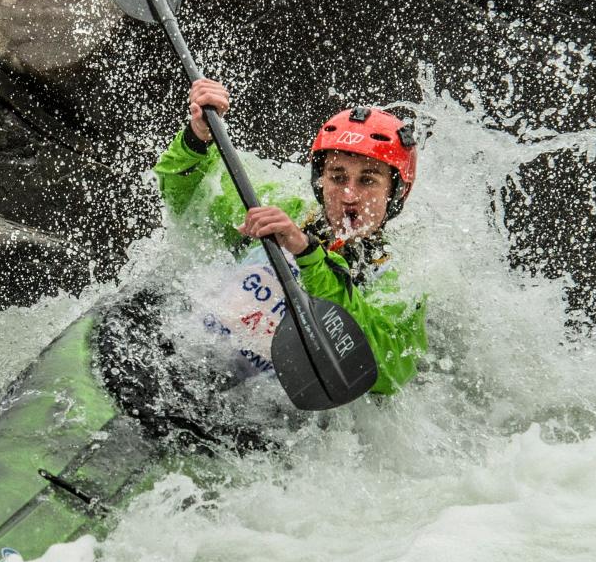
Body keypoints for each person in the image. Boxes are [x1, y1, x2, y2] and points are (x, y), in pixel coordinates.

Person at [152, 78, 427, 398]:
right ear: (319, 181)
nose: (349, 194)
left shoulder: (400, 278)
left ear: (396, 192)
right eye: (337, 177)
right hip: (183, 358)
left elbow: (385, 370)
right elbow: (190, 198)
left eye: (368, 180)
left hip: (260, 417)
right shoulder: (278, 205)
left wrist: (308, 253)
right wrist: (198, 138)